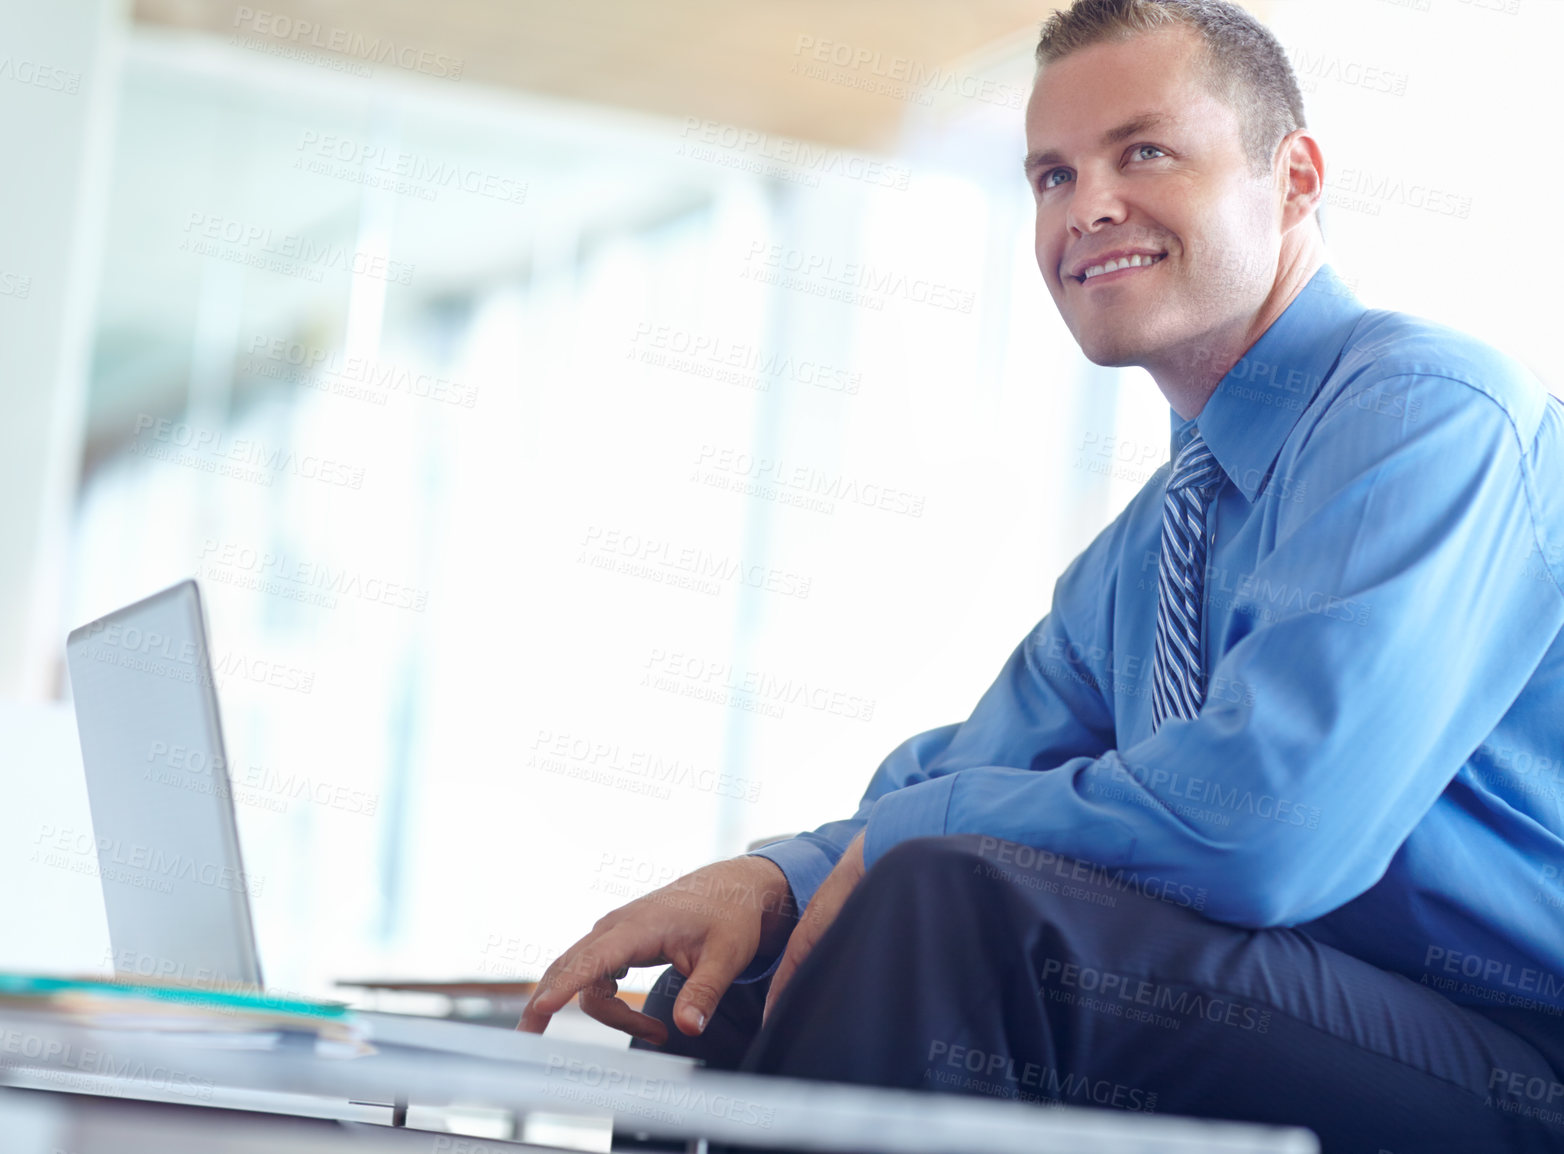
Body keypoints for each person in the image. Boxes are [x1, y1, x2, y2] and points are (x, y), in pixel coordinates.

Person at [518, 1, 1564, 1148]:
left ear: (1296, 178)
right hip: (1329, 1011)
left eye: (1144, 151)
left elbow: (1264, 825)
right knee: (736, 974)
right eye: (1051, 176)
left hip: (1516, 1054)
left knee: (947, 909)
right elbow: (981, 767)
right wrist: (770, 882)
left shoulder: (1428, 416)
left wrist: (902, 839)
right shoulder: (1155, 543)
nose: (1088, 205)